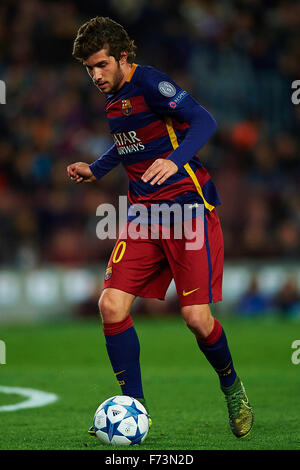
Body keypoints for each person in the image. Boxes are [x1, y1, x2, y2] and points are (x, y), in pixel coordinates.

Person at [67, 16, 253, 439]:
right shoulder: (114, 101)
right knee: (111, 306)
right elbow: (126, 143)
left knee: (195, 318)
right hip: (142, 217)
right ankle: (136, 410)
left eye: (101, 65)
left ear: (122, 57)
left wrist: (175, 160)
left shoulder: (150, 82)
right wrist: (96, 170)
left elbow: (204, 120)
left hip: (188, 213)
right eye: (88, 69)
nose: (95, 75)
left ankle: (232, 386)